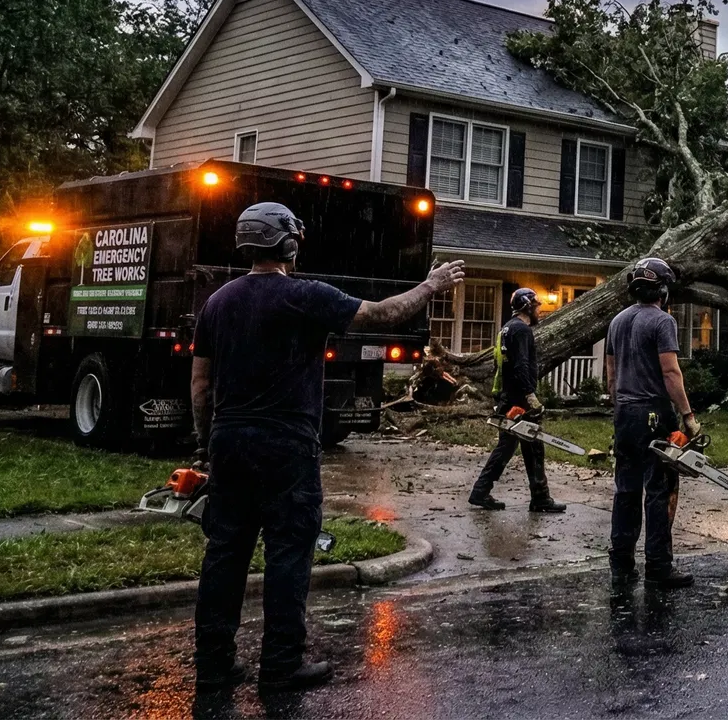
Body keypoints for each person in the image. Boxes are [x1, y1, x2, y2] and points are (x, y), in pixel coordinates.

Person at [190, 202, 464, 693]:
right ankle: (280, 665)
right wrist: (430, 286)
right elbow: (382, 313)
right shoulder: (305, 296)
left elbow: (200, 385)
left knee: (225, 553)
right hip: (286, 446)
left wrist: (208, 446)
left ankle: (212, 661)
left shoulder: (217, 303)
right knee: (289, 553)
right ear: (289, 245)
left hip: (228, 440)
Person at [603, 256, 698, 590]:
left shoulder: (617, 321)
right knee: (658, 489)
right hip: (654, 412)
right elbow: (670, 372)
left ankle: (621, 564)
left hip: (624, 413)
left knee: (625, 490)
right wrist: (687, 415)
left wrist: (618, 404)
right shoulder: (662, 322)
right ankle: (658, 565)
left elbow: (611, 373)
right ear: (663, 289)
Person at [468, 288, 566, 513]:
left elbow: (501, 365)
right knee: (526, 448)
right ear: (526, 305)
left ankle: (483, 492)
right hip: (519, 400)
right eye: (536, 306)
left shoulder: (506, 329)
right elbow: (521, 365)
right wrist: (530, 396)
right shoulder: (522, 330)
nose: (538, 310)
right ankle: (536, 498)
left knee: (518, 448)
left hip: (508, 396)